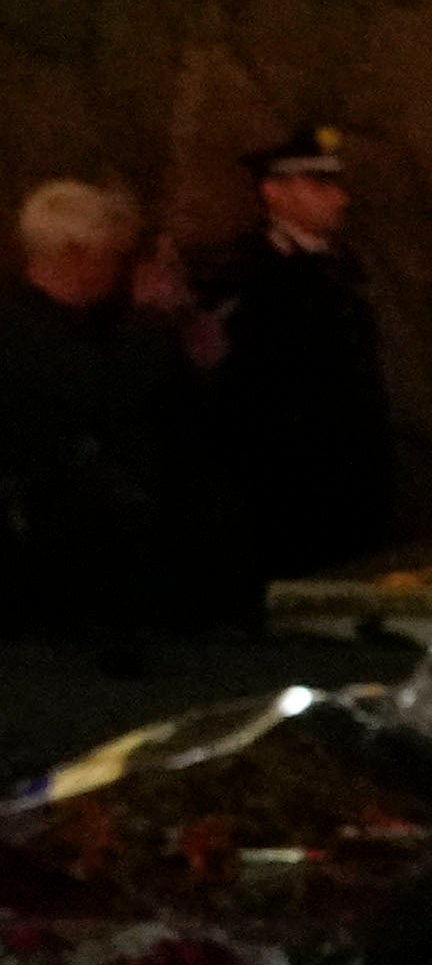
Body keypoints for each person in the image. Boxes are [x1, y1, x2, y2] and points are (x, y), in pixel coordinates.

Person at [187, 127, 388, 584]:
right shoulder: (249, 273)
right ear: (274, 192)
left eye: (336, 185)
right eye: (320, 186)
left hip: (350, 472)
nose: (340, 199)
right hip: (289, 483)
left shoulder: (337, 265)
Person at [3, 178, 197, 642]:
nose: (118, 268)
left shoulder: (90, 319)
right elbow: (102, 396)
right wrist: (150, 318)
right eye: (111, 254)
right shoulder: (21, 328)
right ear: (75, 254)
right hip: (58, 562)